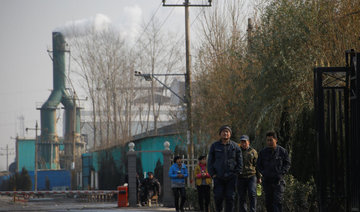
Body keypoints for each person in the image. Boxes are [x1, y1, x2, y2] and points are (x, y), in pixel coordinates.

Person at [208, 125, 243, 212]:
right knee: (218, 197)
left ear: (230, 134)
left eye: (227, 132)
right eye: (223, 131)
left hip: (231, 178)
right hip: (218, 177)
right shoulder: (214, 146)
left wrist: (236, 173)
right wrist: (213, 174)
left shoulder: (235, 146)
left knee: (230, 198)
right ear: (220, 134)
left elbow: (240, 162)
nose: (225, 133)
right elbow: (210, 162)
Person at [257, 131, 291, 212]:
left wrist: (281, 173)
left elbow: (287, 164)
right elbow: (259, 165)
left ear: (276, 140)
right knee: (269, 203)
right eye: (268, 140)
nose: (269, 142)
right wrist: (264, 172)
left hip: (278, 181)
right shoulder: (263, 152)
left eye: (271, 140)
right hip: (267, 181)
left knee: (277, 201)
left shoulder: (282, 151)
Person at [237, 135, 261, 212]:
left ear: (248, 142)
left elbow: (257, 165)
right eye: (242, 142)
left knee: (252, 194)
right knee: (241, 196)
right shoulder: (237, 151)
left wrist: (259, 177)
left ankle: (253, 210)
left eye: (245, 142)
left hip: (251, 176)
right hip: (241, 177)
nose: (243, 144)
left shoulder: (253, 152)